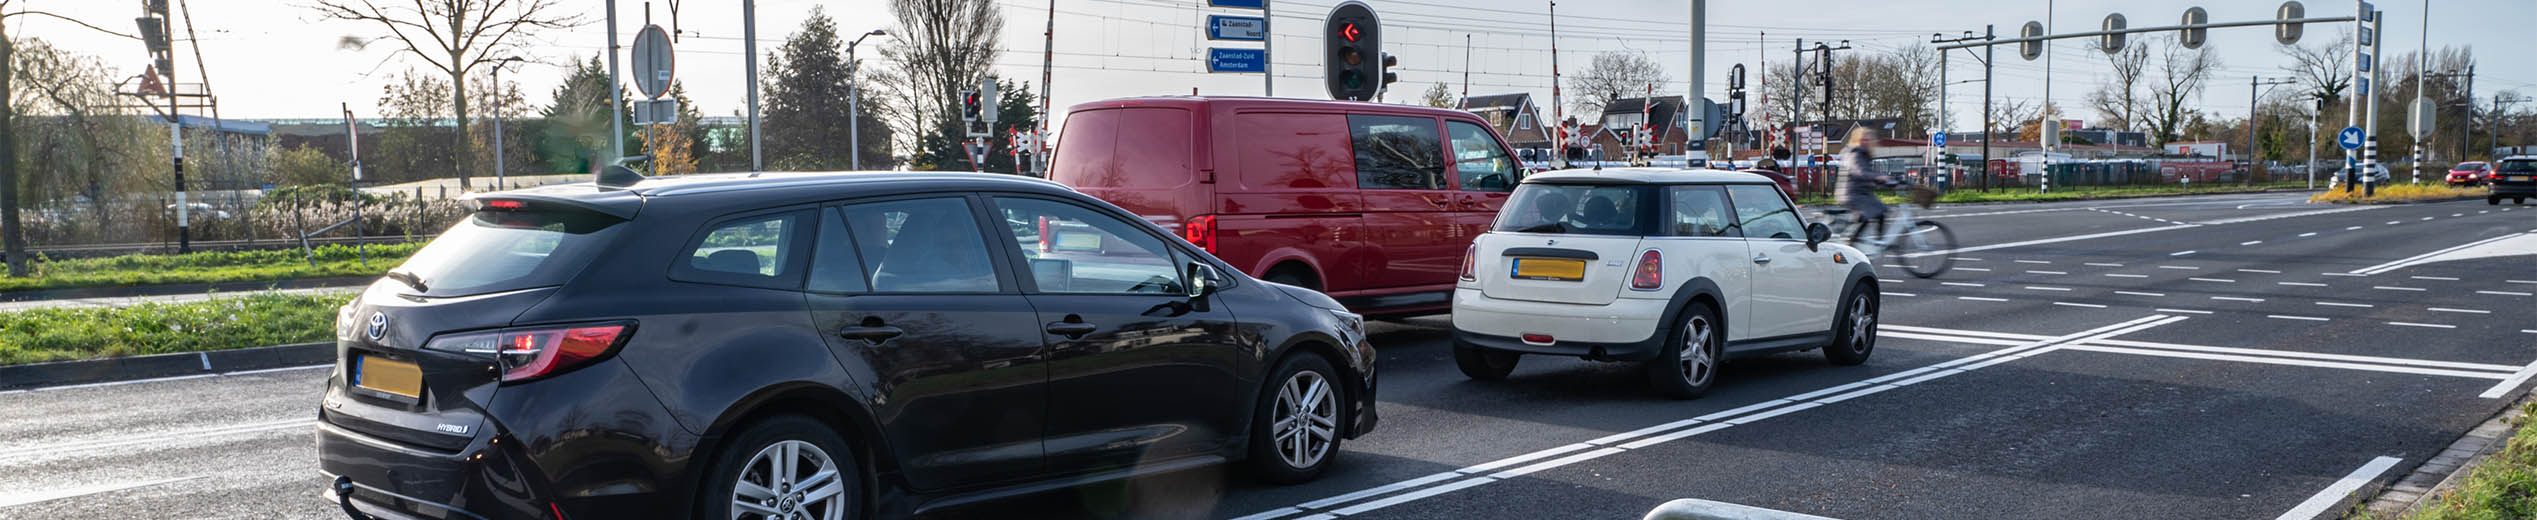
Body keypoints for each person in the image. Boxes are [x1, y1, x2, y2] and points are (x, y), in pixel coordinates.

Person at [1836, 128, 1896, 238]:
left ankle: (1878, 241)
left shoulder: (1863, 154)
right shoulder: (1855, 154)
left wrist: (1885, 181)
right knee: (1872, 213)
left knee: (1880, 212)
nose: (1865, 142)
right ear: (1856, 140)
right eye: (1863, 139)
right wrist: (1879, 177)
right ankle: (1854, 242)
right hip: (1852, 194)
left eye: (1868, 140)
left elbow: (1868, 174)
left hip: (1861, 192)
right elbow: (1860, 172)